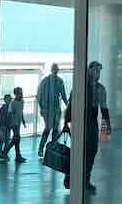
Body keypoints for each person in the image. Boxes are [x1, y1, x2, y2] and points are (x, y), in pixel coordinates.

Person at [66, 61, 110, 193]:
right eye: (95, 70)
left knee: (91, 151)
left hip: (91, 122)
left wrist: (106, 128)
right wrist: (66, 122)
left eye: (99, 71)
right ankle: (70, 177)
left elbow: (104, 109)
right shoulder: (80, 86)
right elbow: (71, 104)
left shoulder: (100, 89)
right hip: (79, 122)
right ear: (89, 70)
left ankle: (85, 180)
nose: (98, 73)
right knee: (78, 151)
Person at [36, 63, 68, 159]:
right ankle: (41, 149)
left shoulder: (60, 81)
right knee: (48, 128)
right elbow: (39, 95)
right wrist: (42, 108)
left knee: (55, 130)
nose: (55, 71)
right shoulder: (45, 81)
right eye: (54, 69)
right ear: (51, 70)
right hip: (47, 109)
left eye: (56, 69)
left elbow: (63, 95)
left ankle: (53, 150)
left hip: (56, 109)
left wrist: (68, 106)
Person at [3, 86, 27, 162]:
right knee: (17, 138)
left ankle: (17, 156)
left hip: (18, 123)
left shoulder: (22, 101)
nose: (21, 94)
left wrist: (23, 121)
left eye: (22, 93)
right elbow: (9, 114)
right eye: (20, 93)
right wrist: (9, 124)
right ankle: (6, 152)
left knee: (16, 139)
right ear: (16, 94)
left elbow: (21, 112)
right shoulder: (13, 103)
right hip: (14, 124)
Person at [0, 93, 12, 161]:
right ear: (5, 100)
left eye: (10, 99)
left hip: (6, 126)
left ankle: (2, 154)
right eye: (8, 99)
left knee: (5, 140)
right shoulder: (4, 109)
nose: (9, 100)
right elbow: (1, 119)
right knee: (4, 140)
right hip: (4, 126)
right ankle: (2, 154)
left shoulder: (4, 108)